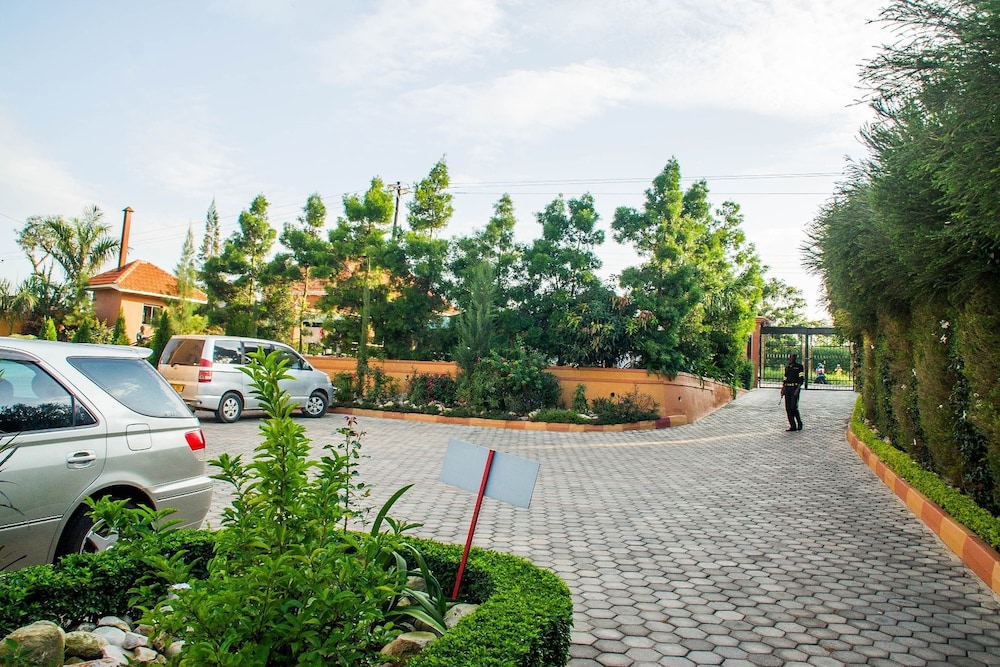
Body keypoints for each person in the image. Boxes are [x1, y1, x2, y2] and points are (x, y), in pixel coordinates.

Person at [780, 353, 804, 431]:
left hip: (795, 388)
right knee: (788, 408)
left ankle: (799, 422)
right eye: (790, 357)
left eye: (792, 357)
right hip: (787, 388)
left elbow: (801, 379)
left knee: (793, 407)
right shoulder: (787, 367)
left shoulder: (799, 367)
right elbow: (785, 378)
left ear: (795, 358)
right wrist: (783, 388)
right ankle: (792, 426)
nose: (790, 359)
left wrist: (798, 389)